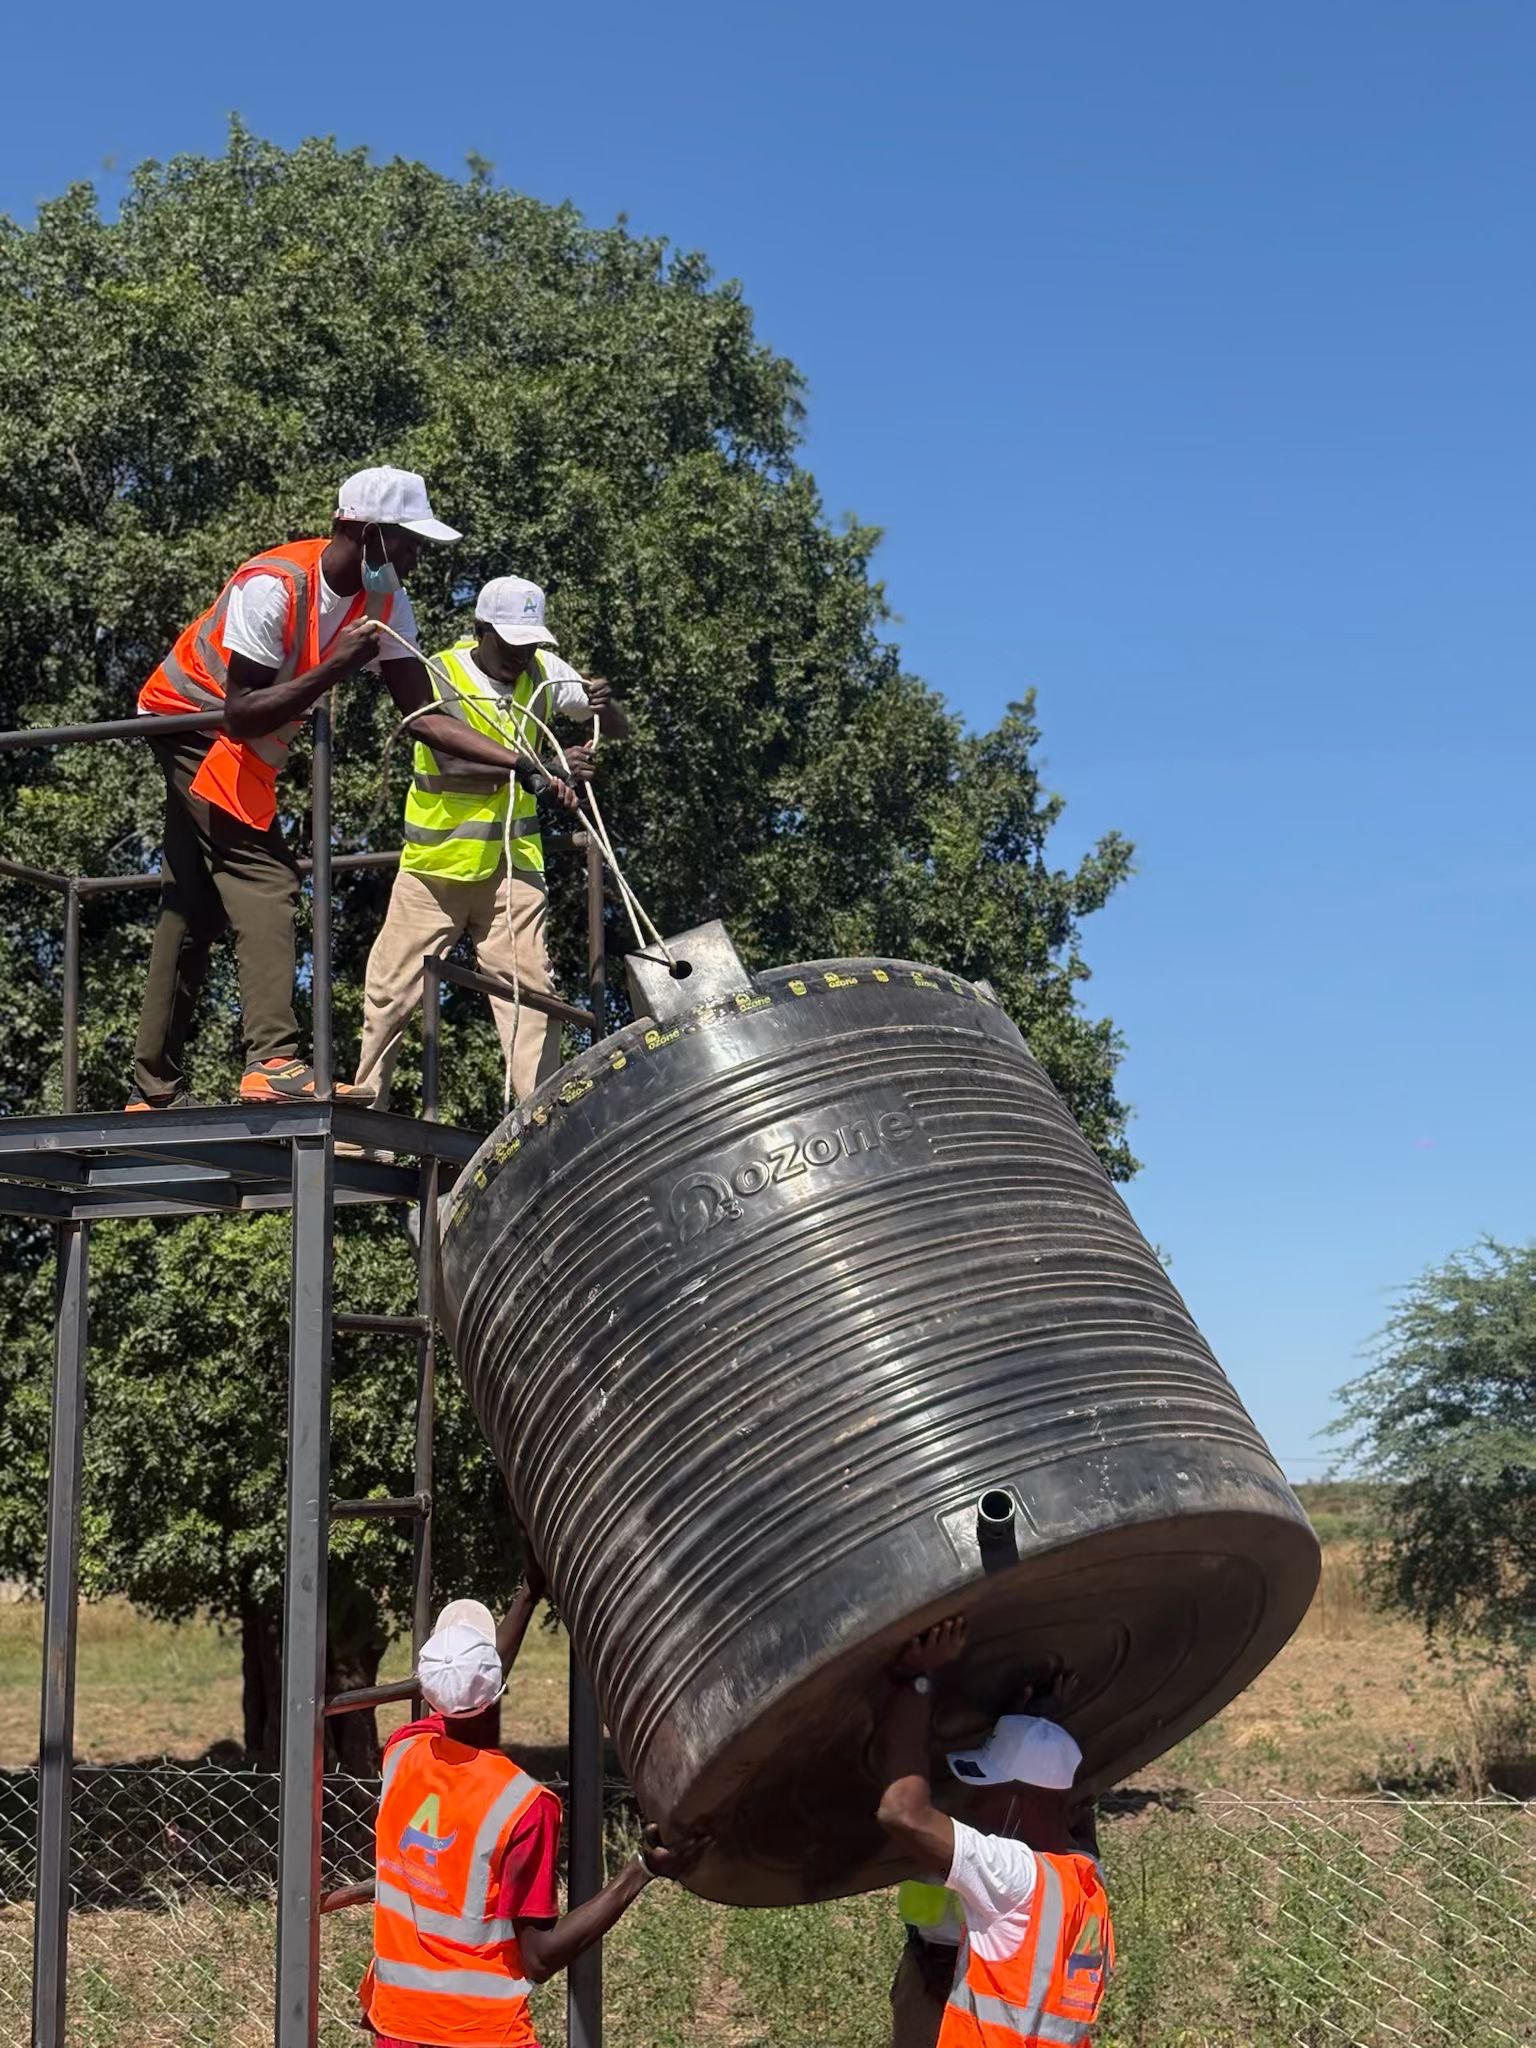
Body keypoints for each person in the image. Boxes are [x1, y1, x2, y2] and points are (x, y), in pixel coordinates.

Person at [128, 467, 547, 1110]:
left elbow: (423, 717)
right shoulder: (273, 585)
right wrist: (334, 668)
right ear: (359, 531)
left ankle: (152, 1089)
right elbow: (240, 711)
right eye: (404, 540)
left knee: (194, 906)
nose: (414, 557)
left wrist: (520, 762)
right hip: (192, 720)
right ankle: (272, 1061)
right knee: (266, 878)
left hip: (241, 743)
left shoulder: (387, 601)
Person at [360, 1580, 704, 2048]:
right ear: (498, 1689)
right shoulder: (523, 1806)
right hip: (480, 2035)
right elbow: (540, 1957)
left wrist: (527, 1592)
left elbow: (471, 1701)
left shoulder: (403, 1754)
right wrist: (641, 1871)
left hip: (395, 2024)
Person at [351, 575, 628, 1114]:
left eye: (529, 645)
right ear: (480, 630)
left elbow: (612, 728)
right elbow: (451, 762)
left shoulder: (544, 673)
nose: (520, 656)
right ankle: (365, 1124)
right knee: (391, 992)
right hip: (435, 868)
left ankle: (542, 1125)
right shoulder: (441, 673)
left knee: (532, 995)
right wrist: (546, 769)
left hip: (513, 867)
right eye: (509, 643)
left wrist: (604, 703)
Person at [876, 1617, 1114, 2048]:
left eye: (986, 1789)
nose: (970, 1802)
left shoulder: (1015, 1877)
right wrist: (1036, 1733)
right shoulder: (1085, 1879)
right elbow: (1073, 1810)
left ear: (1020, 1800)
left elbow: (902, 1814)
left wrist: (916, 1677)